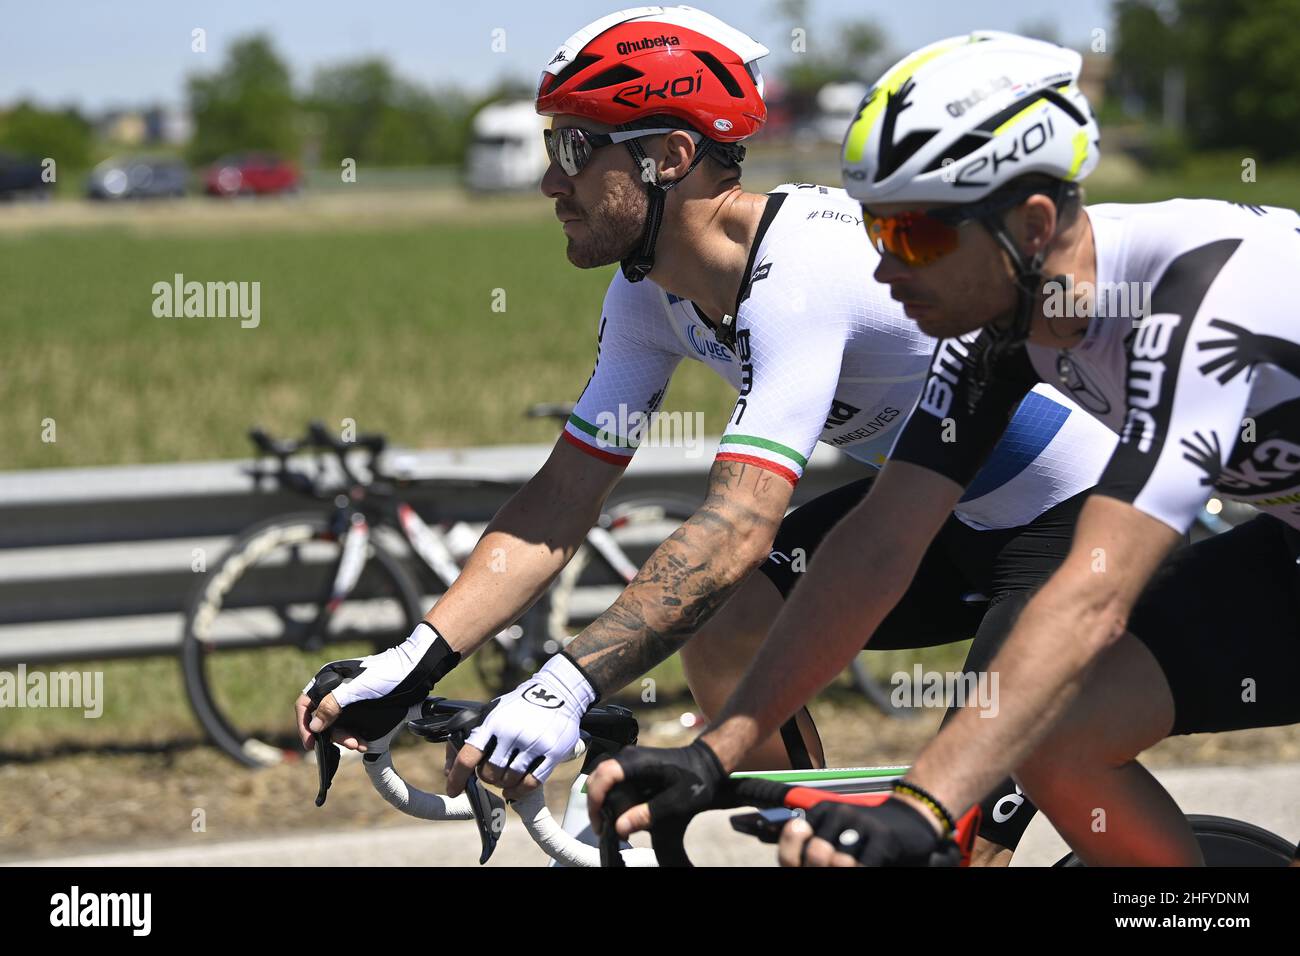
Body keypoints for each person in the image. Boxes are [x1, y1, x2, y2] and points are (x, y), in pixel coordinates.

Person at [296, 10, 1115, 864]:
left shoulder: (803, 266)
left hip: (1079, 528)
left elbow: (738, 525)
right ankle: (802, 843)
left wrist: (564, 685)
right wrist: (419, 658)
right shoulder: (648, 297)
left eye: (577, 148)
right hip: (943, 519)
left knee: (952, 835)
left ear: (669, 157)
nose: (549, 180)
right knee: (731, 628)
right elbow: (560, 500)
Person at [586, 29, 1300, 867]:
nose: (886, 271)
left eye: (916, 237)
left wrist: (922, 809)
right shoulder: (995, 323)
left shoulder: (1195, 307)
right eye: (875, 231)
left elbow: (1091, 597)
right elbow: (881, 543)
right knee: (1048, 728)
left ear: (1031, 224)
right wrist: (715, 756)